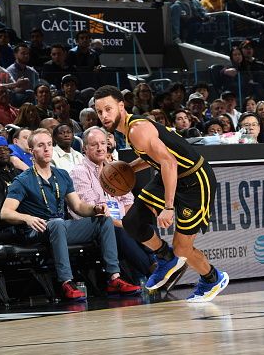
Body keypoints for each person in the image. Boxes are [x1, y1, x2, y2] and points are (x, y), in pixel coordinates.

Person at [94, 86, 229, 302]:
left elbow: (169, 162)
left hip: (194, 180)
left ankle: (213, 278)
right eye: (99, 112)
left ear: (121, 106)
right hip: (169, 173)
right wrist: (128, 168)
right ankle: (165, 258)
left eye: (108, 109)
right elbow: (154, 158)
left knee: (182, 247)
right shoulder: (128, 129)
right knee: (132, 222)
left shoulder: (137, 130)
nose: (104, 115)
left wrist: (168, 207)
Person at [0, 128, 141, 301]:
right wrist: (27, 218)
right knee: (58, 223)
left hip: (61, 227)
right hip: (37, 230)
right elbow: (5, 212)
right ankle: (66, 281)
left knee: (103, 221)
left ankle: (114, 278)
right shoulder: (23, 180)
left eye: (50, 145)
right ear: (31, 151)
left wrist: (95, 209)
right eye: (41, 145)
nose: (47, 149)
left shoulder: (62, 174)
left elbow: (78, 206)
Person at [70, 126, 159, 282]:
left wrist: (130, 221)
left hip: (120, 221)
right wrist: (124, 225)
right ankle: (154, 272)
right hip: (96, 224)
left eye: (103, 143)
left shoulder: (115, 169)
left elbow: (127, 201)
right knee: (121, 232)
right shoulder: (79, 172)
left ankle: (159, 264)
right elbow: (92, 208)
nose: (100, 148)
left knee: (145, 224)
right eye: (94, 144)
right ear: (84, 149)